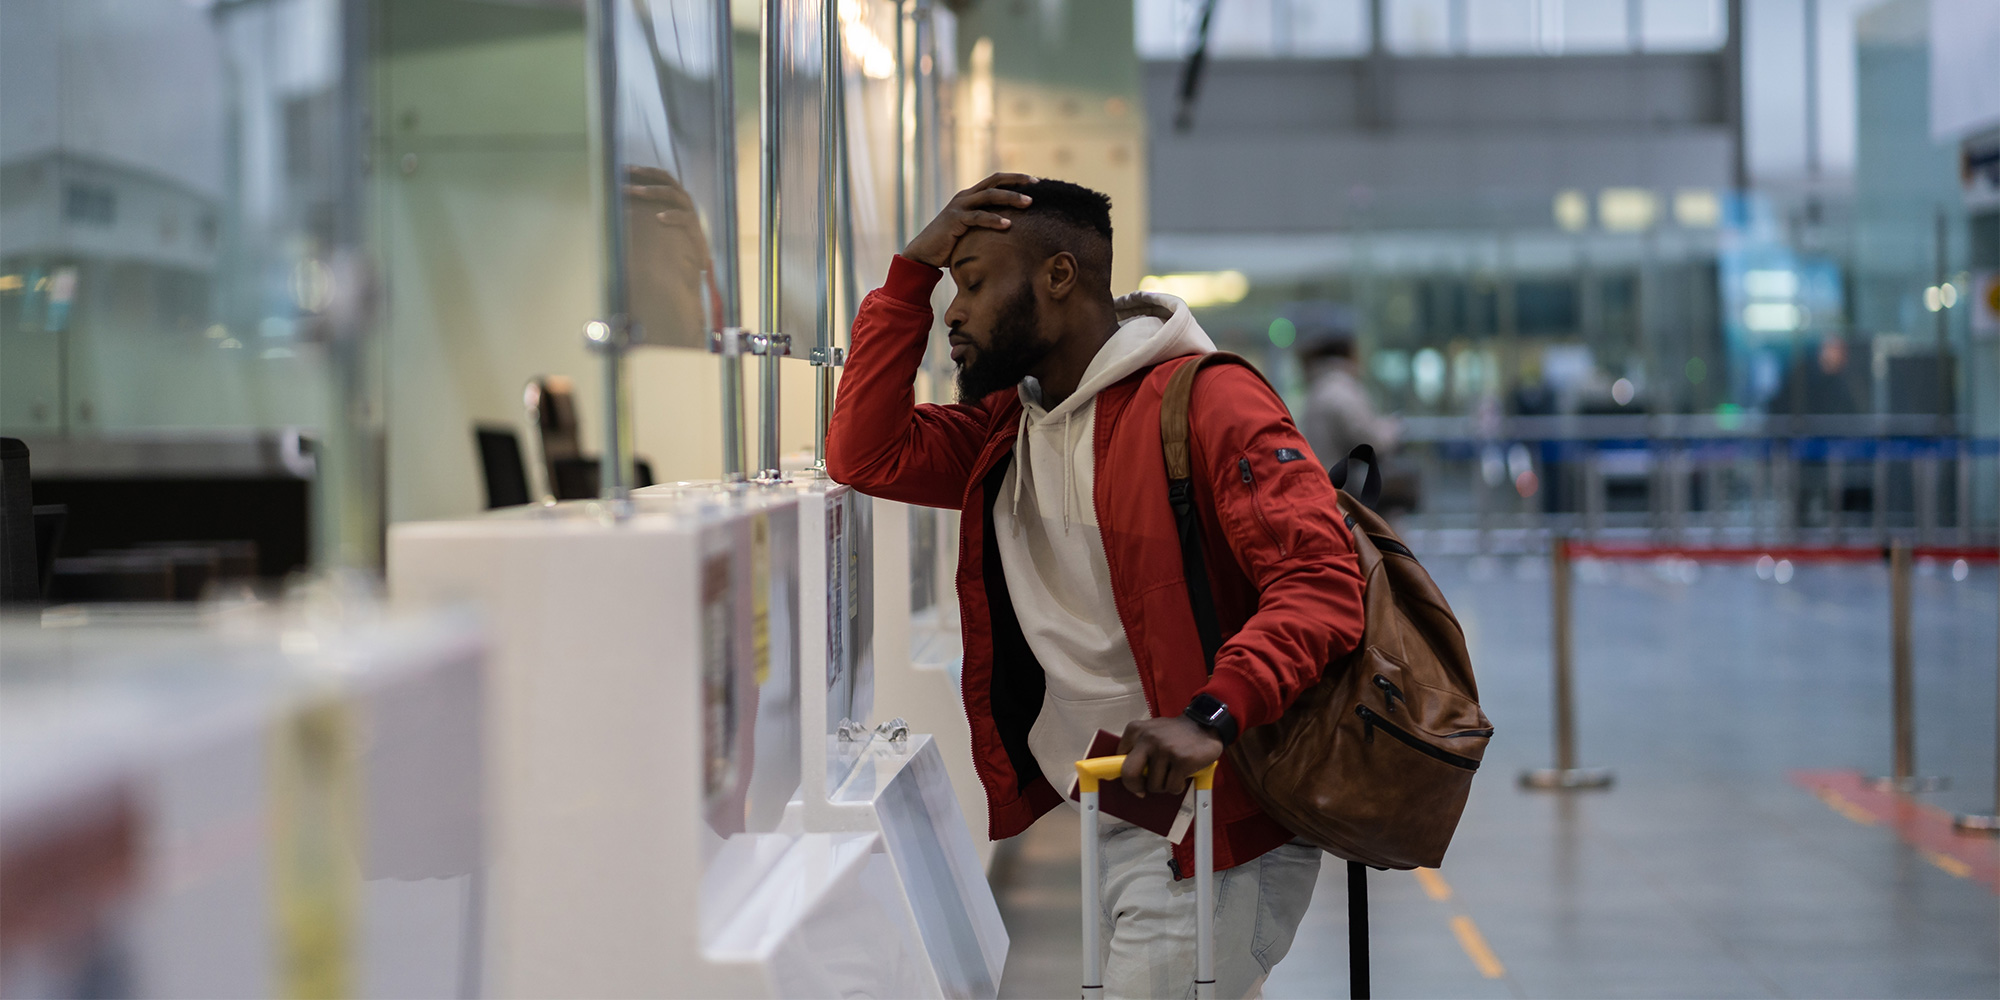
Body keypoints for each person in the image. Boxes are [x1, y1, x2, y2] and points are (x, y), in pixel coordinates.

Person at [828, 173, 1365, 999]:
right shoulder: (1009, 429)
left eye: (972, 283)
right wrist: (910, 272)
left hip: (1219, 817)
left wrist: (1212, 714)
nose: (952, 313)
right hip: (1124, 803)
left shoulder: (1208, 402)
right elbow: (865, 453)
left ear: (1059, 276)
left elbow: (1320, 581)